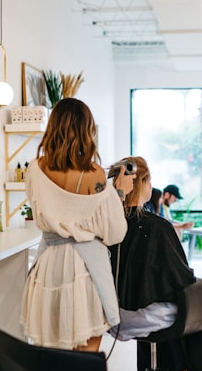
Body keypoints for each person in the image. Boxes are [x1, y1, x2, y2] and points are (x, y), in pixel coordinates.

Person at [109, 156, 202, 371]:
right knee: (195, 311)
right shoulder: (158, 226)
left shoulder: (107, 225)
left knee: (163, 306)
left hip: (114, 317)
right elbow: (181, 276)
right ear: (142, 184)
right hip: (146, 316)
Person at [20, 98, 135, 352]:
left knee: (50, 351)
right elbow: (115, 232)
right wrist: (119, 194)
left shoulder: (34, 169)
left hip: (48, 264)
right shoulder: (94, 174)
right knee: (86, 353)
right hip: (83, 268)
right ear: (87, 131)